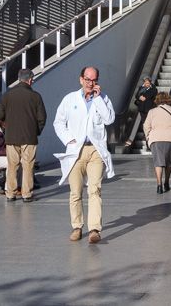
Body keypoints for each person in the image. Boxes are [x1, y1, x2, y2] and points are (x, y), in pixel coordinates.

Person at [53, 65, 116, 243]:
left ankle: (95, 229)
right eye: (87, 79)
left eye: (94, 80)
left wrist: (98, 99)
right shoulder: (69, 99)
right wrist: (69, 140)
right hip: (76, 151)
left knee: (95, 189)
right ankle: (77, 226)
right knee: (75, 191)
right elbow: (58, 122)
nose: (90, 83)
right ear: (81, 79)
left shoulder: (103, 98)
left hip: (95, 150)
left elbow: (109, 119)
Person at [0, 67, 47, 201]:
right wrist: (36, 131)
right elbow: (42, 117)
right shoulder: (35, 96)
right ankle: (27, 194)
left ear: (19, 79)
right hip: (29, 137)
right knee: (28, 166)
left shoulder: (7, 95)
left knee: (12, 166)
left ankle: (10, 194)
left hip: (11, 137)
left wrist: (6, 129)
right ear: (30, 80)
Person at [143, 90, 171, 194]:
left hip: (156, 138)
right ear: (168, 100)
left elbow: (146, 126)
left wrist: (148, 136)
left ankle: (159, 185)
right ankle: (166, 182)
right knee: (168, 162)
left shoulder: (152, 111)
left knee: (158, 162)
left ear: (157, 100)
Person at [133, 76, 158, 153]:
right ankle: (147, 139)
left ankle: (149, 143)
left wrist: (144, 97)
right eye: (145, 83)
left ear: (150, 82)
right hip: (142, 109)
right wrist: (139, 97)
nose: (146, 84)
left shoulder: (153, 89)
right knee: (145, 124)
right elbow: (137, 95)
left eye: (148, 83)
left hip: (149, 110)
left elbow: (151, 96)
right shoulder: (141, 87)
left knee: (149, 126)